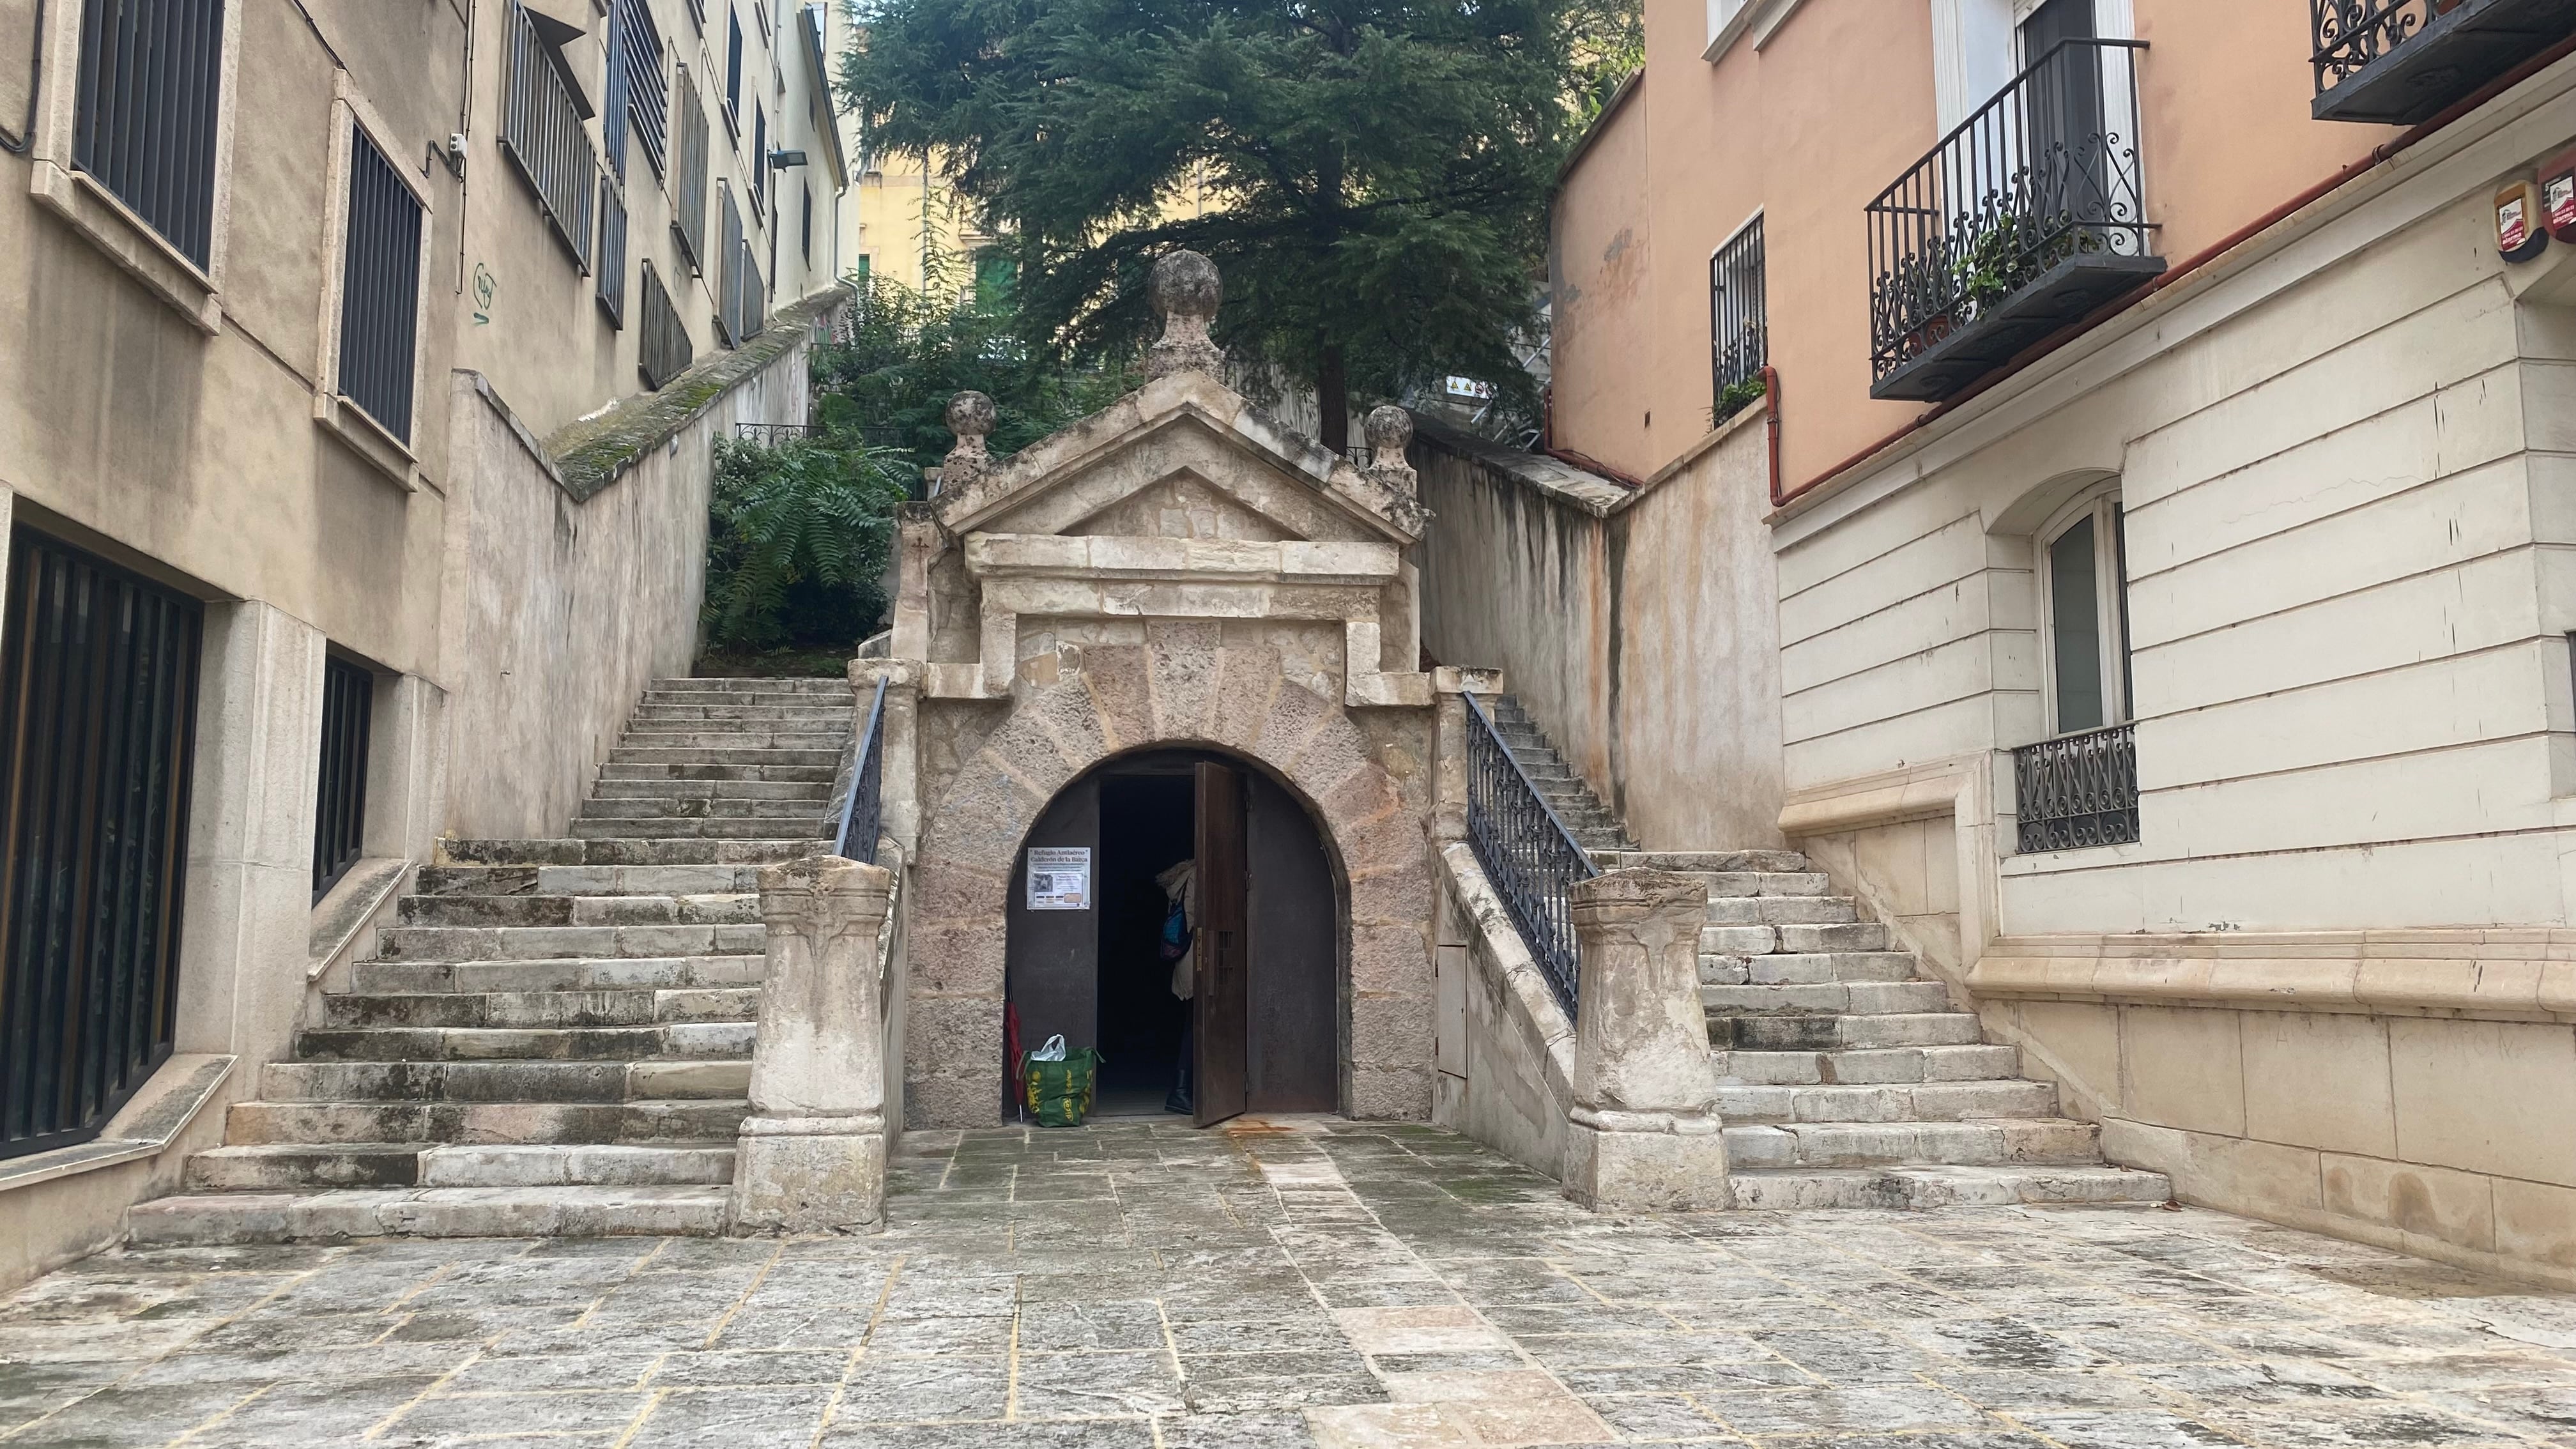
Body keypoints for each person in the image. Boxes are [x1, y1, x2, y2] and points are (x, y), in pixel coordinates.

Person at [1154, 859, 1195, 1114]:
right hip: (1198, 959)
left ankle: (1183, 1091)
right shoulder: (1197, 876)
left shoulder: (1181, 880)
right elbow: (1193, 918)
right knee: (1197, 1025)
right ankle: (1180, 1093)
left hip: (1187, 960)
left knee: (1194, 1023)